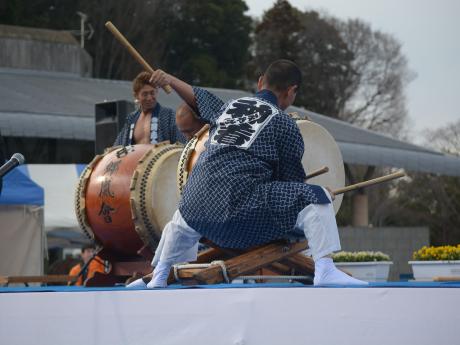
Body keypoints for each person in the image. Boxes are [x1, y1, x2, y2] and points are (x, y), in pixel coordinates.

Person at [129, 59, 367, 288]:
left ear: (260, 81)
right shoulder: (283, 124)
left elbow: (198, 98)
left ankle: (159, 273)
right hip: (240, 218)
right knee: (316, 196)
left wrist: (169, 78)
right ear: (291, 91)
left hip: (196, 212)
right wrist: (319, 191)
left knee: (183, 216)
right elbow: (290, 181)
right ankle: (325, 270)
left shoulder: (230, 107)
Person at [114, 71, 186, 146]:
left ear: (157, 91)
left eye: (152, 93)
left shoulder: (169, 115)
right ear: (136, 96)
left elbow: (182, 144)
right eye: (145, 94)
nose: (149, 98)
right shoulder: (131, 119)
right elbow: (117, 147)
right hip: (138, 158)